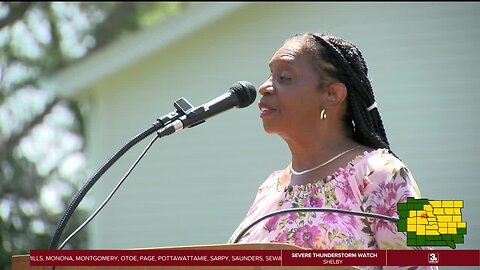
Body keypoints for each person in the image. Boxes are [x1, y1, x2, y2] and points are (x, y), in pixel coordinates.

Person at [228, 32, 437, 270]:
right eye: (270, 75)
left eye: (284, 77)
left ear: (332, 94)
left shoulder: (385, 173)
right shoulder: (269, 186)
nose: (264, 87)